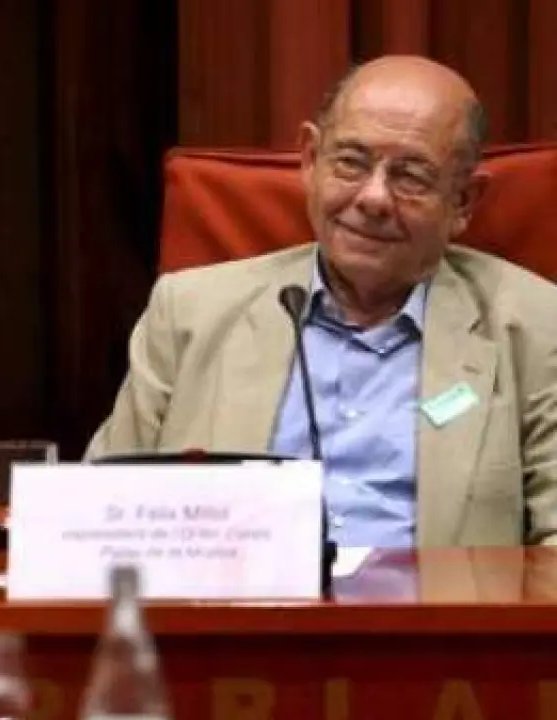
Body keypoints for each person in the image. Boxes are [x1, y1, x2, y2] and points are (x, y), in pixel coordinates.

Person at [86, 55, 557, 548]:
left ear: (462, 201)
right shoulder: (189, 311)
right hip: (233, 596)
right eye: (351, 163)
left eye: (411, 177)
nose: (374, 198)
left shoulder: (535, 327)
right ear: (310, 161)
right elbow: (100, 514)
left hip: (438, 599)